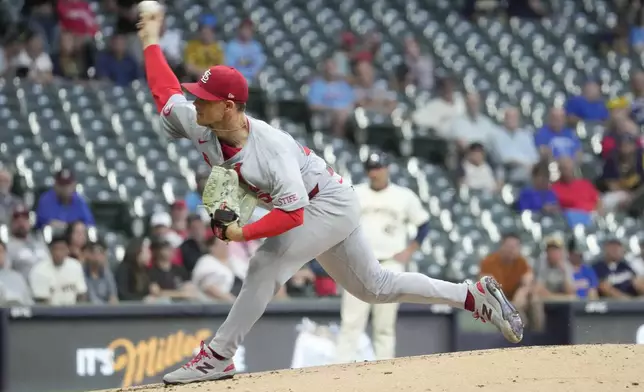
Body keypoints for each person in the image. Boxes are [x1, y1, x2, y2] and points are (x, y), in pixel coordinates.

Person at [137, 11, 523, 385]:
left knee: (264, 266)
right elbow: (165, 94)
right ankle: (472, 296)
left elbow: (293, 215)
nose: (196, 102)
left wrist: (242, 234)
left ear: (230, 107)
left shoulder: (271, 148)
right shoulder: (200, 122)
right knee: (375, 287)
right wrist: (150, 40)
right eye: (198, 95)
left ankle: (219, 356)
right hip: (326, 200)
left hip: (324, 203)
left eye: (204, 98)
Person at [335, 152, 430, 363]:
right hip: (358, 264)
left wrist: (409, 250)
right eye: (371, 168)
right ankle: (339, 373)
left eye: (378, 168)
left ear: (387, 169)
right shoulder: (355, 193)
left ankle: (385, 372)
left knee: (385, 325)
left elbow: (424, 225)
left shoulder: (404, 196)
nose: (374, 172)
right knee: (351, 323)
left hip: (390, 264)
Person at [29, 234, 87, 305]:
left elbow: (81, 294)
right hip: (49, 313)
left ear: (67, 250)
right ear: (50, 251)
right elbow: (41, 301)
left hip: (74, 312)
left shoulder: (76, 266)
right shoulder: (39, 270)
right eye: (56, 249)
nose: (58, 253)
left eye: (62, 249)